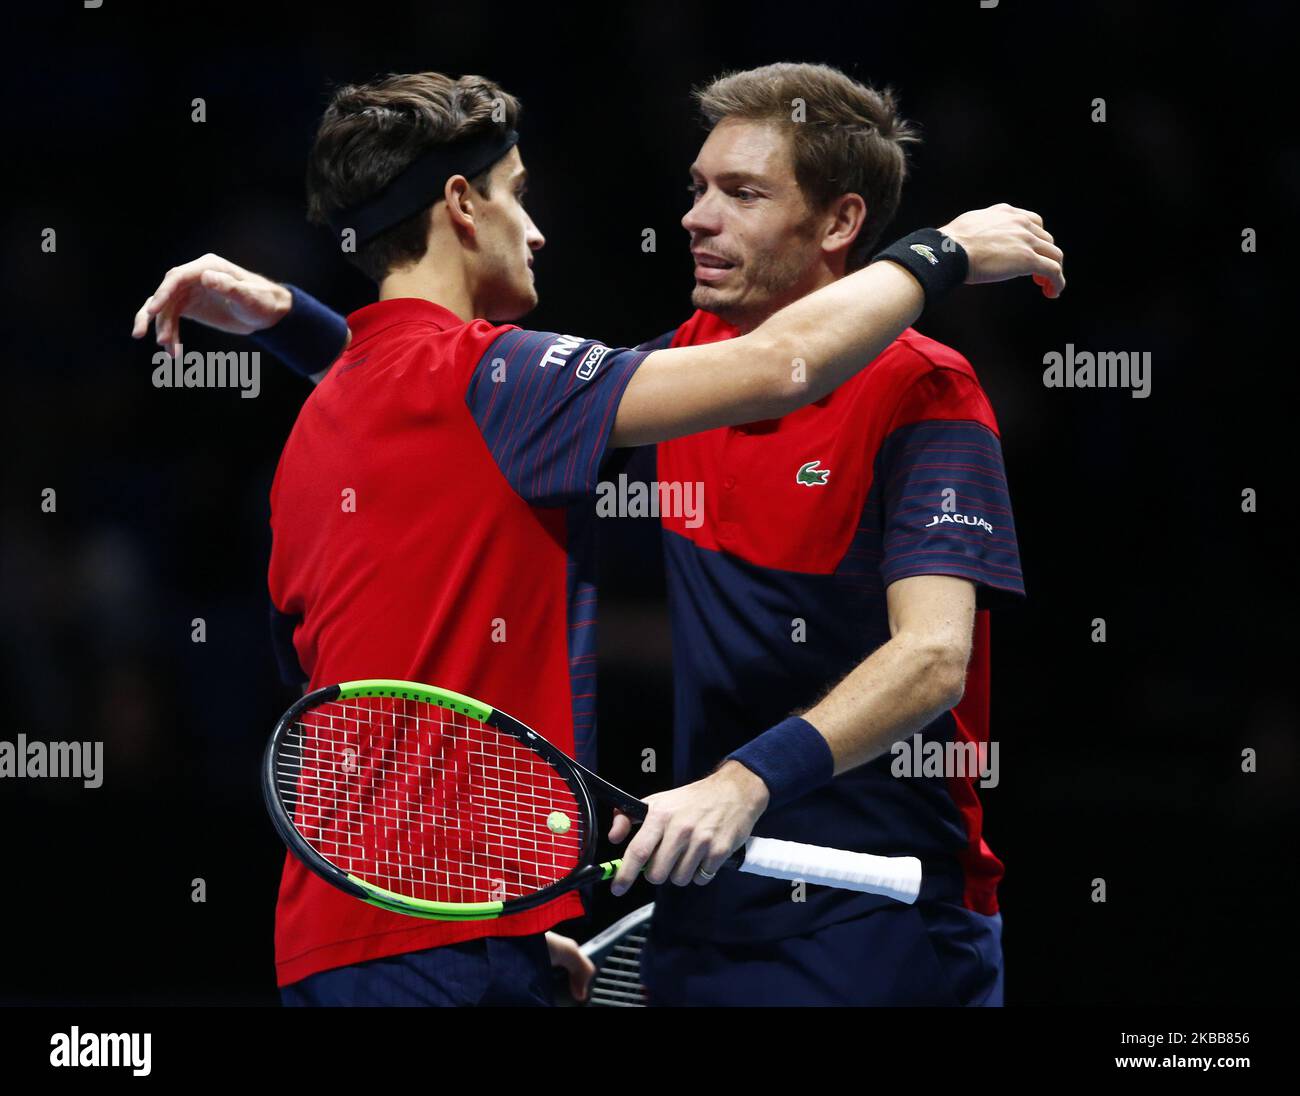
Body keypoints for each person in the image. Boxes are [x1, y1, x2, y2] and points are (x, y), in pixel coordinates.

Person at [132, 69, 1062, 1007]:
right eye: (695, 189)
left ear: (836, 224)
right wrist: (943, 252)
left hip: (882, 915)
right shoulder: (662, 379)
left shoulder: (926, 391)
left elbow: (936, 658)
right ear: (460, 206)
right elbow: (766, 367)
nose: (697, 218)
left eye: (740, 194)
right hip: (695, 916)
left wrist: (294, 323)